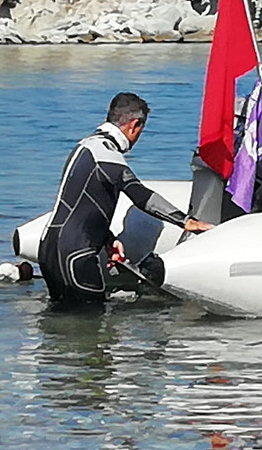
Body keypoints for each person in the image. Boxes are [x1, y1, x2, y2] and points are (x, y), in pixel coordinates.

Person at [38, 92, 212, 306]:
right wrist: (186, 222)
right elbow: (141, 196)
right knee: (91, 326)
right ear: (134, 125)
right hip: (75, 255)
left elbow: (81, 206)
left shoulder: (85, 147)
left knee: (61, 322)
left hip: (49, 248)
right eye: (141, 130)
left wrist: (108, 240)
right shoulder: (106, 153)